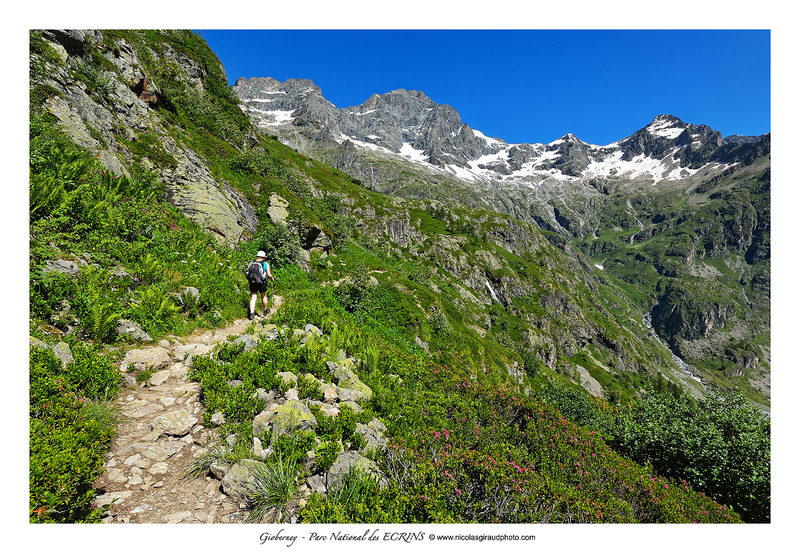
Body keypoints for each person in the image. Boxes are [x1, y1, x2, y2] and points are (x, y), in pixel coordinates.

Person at [248, 250, 274, 320]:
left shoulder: (251, 263)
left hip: (253, 282)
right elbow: (269, 275)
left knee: (253, 297)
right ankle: (265, 310)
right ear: (263, 257)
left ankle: (251, 313)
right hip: (262, 282)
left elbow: (248, 272)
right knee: (264, 297)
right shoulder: (266, 264)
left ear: (257, 256)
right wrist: (272, 278)